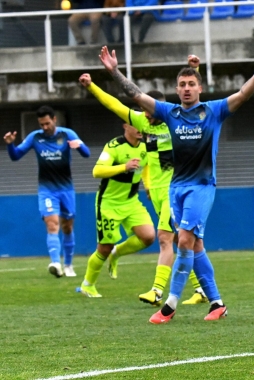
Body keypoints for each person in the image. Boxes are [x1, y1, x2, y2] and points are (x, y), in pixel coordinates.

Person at [98, 44, 254, 323]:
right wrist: (115, 71)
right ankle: (217, 303)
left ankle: (169, 304)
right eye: (182, 84)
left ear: (199, 88)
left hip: (201, 187)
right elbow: (136, 95)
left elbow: (242, 95)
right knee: (196, 245)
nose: (187, 88)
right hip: (175, 188)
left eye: (191, 83)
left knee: (185, 241)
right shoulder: (169, 113)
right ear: (177, 90)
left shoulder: (213, 111)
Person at [77, 54, 209, 307]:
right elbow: (114, 105)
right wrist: (92, 86)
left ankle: (157, 291)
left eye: (150, 110)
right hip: (158, 193)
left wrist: (195, 69)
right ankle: (201, 289)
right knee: (184, 240)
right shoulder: (141, 120)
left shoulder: (175, 120)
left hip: (177, 188)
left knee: (165, 238)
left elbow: (197, 103)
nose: (144, 115)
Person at [4, 106, 90, 278]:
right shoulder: (35, 137)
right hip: (47, 190)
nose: (44, 127)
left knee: (67, 226)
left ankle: (68, 264)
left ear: (54, 120)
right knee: (52, 224)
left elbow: (87, 154)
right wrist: (10, 145)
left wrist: (79, 146)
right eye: (41, 124)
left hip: (66, 189)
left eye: (47, 123)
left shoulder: (67, 134)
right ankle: (56, 263)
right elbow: (15, 156)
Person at [78, 122, 156, 297]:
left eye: (143, 125)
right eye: (136, 125)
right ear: (125, 126)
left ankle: (117, 253)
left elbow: (146, 166)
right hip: (108, 203)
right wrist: (124, 166)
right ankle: (87, 285)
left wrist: (149, 186)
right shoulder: (114, 146)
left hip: (131, 201)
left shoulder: (146, 146)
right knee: (104, 247)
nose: (141, 129)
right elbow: (97, 171)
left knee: (149, 236)